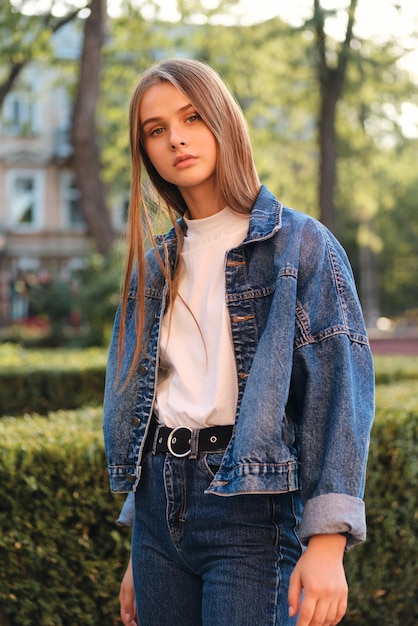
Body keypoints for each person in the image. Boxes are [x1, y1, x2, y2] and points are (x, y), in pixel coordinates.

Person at [103, 57, 375, 626]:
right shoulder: (152, 268)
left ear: (223, 120)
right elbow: (153, 407)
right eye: (155, 130)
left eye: (192, 117)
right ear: (145, 151)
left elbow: (340, 395)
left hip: (252, 514)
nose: (176, 138)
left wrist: (327, 542)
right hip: (158, 519)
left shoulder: (301, 248)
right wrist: (140, 541)